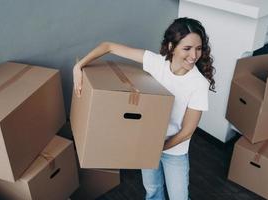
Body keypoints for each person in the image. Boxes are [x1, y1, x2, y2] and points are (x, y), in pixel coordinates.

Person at [73, 17, 215, 200]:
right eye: (187, 48)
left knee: (179, 197)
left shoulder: (198, 84)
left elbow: (187, 132)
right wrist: (79, 66)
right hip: (148, 141)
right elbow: (109, 46)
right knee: (153, 191)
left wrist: (156, 149)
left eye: (198, 48)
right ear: (172, 47)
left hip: (174, 150)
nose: (194, 56)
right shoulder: (157, 63)